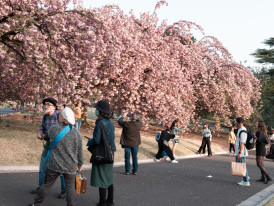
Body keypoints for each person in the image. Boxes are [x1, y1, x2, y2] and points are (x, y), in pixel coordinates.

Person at [29, 107, 83, 206]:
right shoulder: (77, 133)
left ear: (63, 118)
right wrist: (80, 164)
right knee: (70, 186)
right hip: (70, 165)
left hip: (54, 163)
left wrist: (41, 136)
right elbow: (80, 151)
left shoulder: (53, 128)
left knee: (47, 185)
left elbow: (47, 137)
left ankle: (37, 204)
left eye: (60, 115)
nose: (59, 116)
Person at [31, 98, 66, 199]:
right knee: (43, 168)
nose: (45, 106)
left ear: (54, 107)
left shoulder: (60, 117)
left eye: (48, 104)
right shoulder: (45, 117)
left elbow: (64, 131)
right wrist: (40, 133)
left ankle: (65, 190)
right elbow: (42, 128)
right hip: (48, 145)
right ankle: (41, 188)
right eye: (44, 104)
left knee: (61, 170)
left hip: (59, 147)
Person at [87, 100, 116, 206]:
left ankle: (102, 202)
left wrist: (89, 141)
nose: (96, 111)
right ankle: (110, 200)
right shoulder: (110, 122)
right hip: (111, 152)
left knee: (101, 178)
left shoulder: (100, 123)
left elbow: (96, 140)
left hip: (101, 153)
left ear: (100, 111)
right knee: (108, 177)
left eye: (97, 109)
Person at [235, 117, 250, 186]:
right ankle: (246, 178)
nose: (235, 123)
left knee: (242, 166)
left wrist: (240, 153)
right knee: (242, 165)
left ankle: (246, 181)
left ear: (238, 122)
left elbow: (242, 143)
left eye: (236, 122)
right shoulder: (240, 129)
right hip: (240, 151)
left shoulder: (243, 131)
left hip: (241, 151)